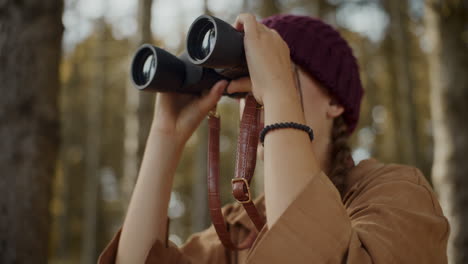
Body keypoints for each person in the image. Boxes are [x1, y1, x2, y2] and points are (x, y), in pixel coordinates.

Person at [98, 13, 449, 264]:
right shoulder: (239, 228)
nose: (258, 93)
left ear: (334, 102)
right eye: (248, 77)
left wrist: (280, 95)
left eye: (278, 72)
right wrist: (165, 136)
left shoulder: (395, 192)